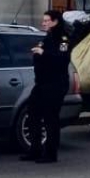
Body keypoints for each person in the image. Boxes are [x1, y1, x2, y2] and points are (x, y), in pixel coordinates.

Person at [20, 10, 71, 164]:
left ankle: (50, 153)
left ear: (55, 22)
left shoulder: (63, 39)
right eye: (43, 20)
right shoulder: (47, 38)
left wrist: (44, 53)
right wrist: (40, 54)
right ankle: (35, 149)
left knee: (50, 117)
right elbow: (39, 56)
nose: (43, 23)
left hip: (56, 84)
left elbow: (62, 59)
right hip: (42, 83)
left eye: (46, 20)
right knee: (32, 113)